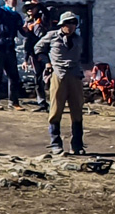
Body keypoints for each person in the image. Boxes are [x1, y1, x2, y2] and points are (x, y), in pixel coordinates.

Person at [35, 11, 87, 154]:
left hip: (75, 75)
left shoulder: (78, 39)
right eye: (67, 23)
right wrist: (47, 63)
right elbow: (38, 49)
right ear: (61, 25)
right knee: (56, 109)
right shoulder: (52, 36)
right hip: (59, 74)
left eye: (73, 23)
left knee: (77, 110)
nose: (70, 26)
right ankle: (55, 143)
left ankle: (77, 144)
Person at [22, 0, 50, 111]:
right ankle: (42, 102)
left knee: (50, 77)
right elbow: (27, 42)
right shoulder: (27, 22)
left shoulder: (43, 18)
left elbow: (46, 12)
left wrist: (38, 3)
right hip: (34, 53)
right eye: (27, 8)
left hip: (46, 51)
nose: (30, 10)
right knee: (38, 78)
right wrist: (26, 58)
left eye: (32, 8)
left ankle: (54, 101)